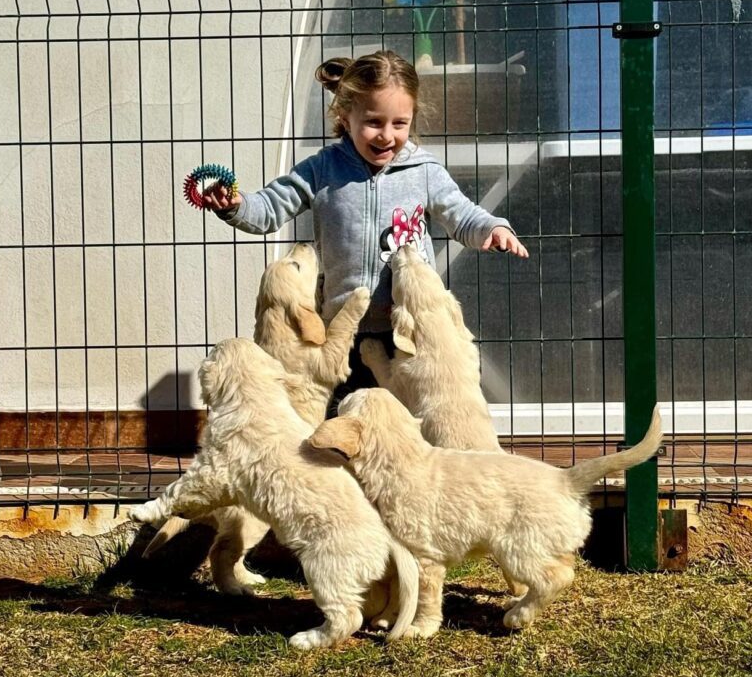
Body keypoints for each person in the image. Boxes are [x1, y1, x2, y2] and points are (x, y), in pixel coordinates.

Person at [203, 49, 529, 410]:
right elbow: (269, 208)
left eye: (399, 124)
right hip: (344, 332)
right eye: (374, 122)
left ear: (412, 118)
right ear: (346, 115)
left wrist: (492, 228)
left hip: (407, 332)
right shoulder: (322, 169)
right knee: (345, 424)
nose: (386, 136)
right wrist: (235, 205)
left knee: (407, 427)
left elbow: (461, 213)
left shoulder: (423, 170)